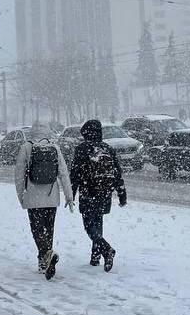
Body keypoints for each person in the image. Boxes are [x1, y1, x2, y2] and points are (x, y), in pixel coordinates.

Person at [14, 121, 74, 280]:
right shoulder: (54, 147)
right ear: (47, 132)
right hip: (51, 196)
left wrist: (21, 196)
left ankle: (47, 255)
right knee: (48, 229)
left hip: (33, 197)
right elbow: (63, 173)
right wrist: (69, 195)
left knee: (37, 230)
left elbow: (19, 176)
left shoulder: (26, 147)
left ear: (32, 132)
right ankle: (44, 262)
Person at [70, 119, 126, 272]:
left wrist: (71, 193)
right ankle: (95, 258)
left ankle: (106, 250)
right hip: (105, 192)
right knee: (98, 223)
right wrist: (121, 194)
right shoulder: (107, 148)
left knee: (89, 227)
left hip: (88, 191)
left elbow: (75, 173)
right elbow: (116, 173)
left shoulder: (82, 148)